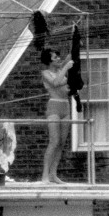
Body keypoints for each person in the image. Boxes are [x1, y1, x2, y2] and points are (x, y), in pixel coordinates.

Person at [41, 48, 74, 183]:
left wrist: (75, 41)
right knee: (54, 141)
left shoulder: (61, 72)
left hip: (65, 106)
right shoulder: (45, 73)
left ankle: (53, 174)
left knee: (61, 143)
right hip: (54, 107)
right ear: (49, 61)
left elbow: (69, 56)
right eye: (55, 58)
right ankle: (45, 175)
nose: (58, 59)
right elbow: (55, 83)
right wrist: (66, 67)